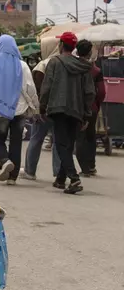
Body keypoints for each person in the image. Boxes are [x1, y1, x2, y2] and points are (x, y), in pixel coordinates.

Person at [39, 32, 95, 194]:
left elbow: (46, 87)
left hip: (58, 109)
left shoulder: (55, 63)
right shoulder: (84, 67)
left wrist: (42, 107)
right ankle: (61, 179)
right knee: (67, 145)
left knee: (62, 146)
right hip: (77, 111)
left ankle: (74, 178)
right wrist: (86, 114)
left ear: (61, 45)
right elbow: (89, 92)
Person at [0, 35, 38, 184]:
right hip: (20, 110)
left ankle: (4, 160)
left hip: (1, 110)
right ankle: (12, 178)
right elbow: (30, 88)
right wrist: (36, 105)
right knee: (16, 142)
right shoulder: (22, 65)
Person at [20, 37, 60, 180]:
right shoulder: (64, 63)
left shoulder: (42, 66)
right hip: (60, 109)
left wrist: (37, 109)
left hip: (44, 110)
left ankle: (30, 171)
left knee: (36, 139)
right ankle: (58, 173)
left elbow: (37, 90)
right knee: (58, 142)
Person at [75, 40, 105, 177]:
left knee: (80, 137)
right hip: (92, 108)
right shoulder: (96, 71)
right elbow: (101, 92)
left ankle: (85, 168)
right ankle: (91, 166)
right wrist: (96, 105)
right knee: (90, 136)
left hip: (76, 107)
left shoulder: (73, 67)